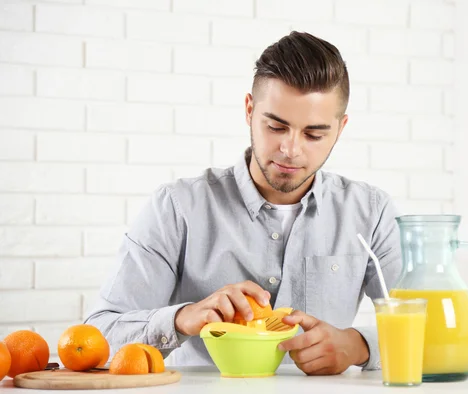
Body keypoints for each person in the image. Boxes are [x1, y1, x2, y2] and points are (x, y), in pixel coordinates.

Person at [85, 31, 402, 376]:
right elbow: (98, 338)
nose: (291, 149)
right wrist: (182, 318)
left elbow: (434, 332)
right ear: (250, 110)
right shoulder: (177, 207)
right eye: (276, 126)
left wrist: (359, 345)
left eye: (314, 134)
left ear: (340, 130)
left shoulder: (372, 213)